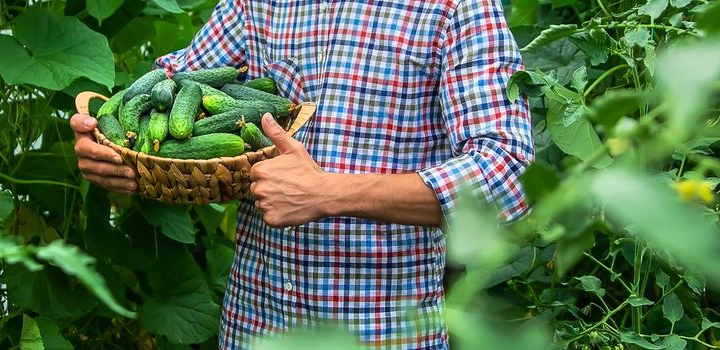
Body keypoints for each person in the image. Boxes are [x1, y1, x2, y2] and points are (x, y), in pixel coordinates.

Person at [70, 0, 533, 348]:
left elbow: (508, 176)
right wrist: (108, 143)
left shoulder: (456, 8)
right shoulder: (258, 4)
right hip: (256, 327)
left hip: (382, 333)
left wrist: (331, 193)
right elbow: (171, 88)